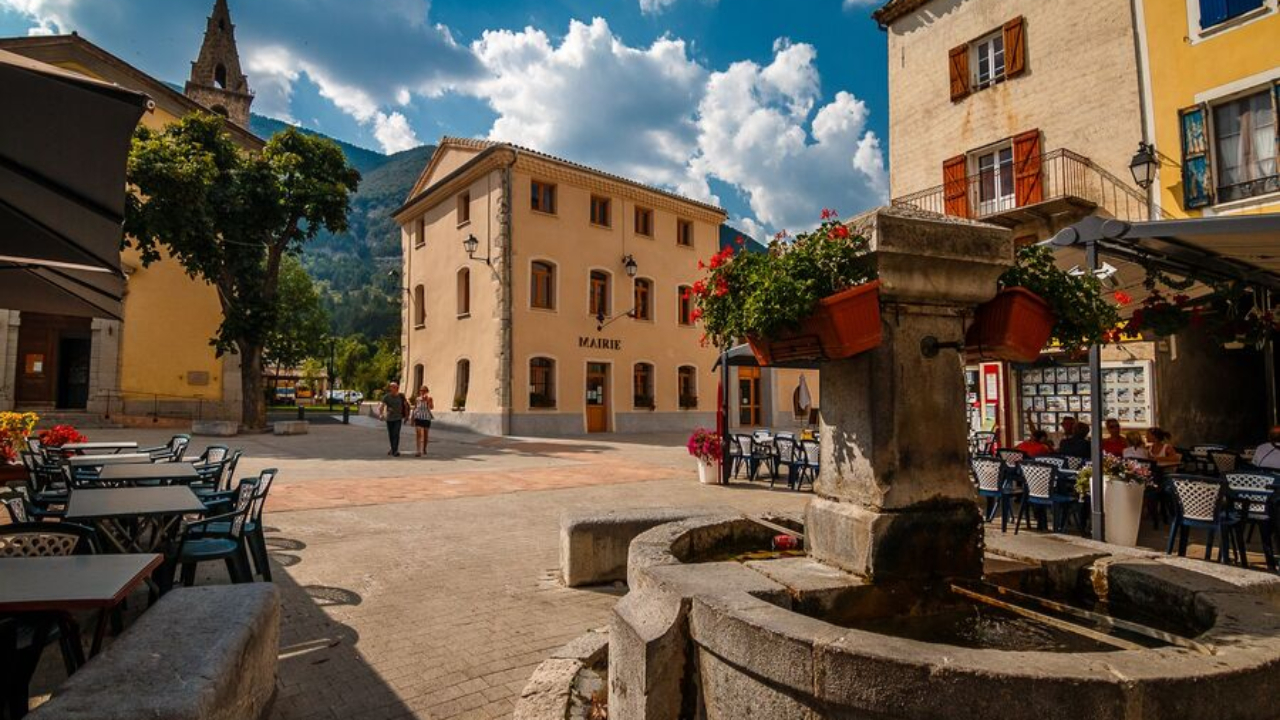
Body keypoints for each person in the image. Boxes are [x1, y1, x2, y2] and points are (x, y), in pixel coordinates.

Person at [378, 381, 410, 457]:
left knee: (396, 434)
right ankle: (393, 449)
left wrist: (406, 416)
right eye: (391, 387)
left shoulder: (401, 396)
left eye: (394, 387)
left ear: (397, 388)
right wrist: (381, 414)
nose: (392, 389)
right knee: (391, 435)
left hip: (398, 418)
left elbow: (405, 406)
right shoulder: (387, 397)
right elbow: (381, 406)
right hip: (389, 418)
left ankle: (395, 451)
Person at [412, 385, 435, 457]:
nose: (422, 392)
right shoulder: (417, 399)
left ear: (427, 392)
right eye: (421, 390)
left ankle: (424, 448)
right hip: (418, 417)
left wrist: (427, 401)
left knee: (425, 434)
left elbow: (431, 407)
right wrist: (412, 418)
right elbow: (415, 408)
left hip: (426, 417)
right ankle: (418, 450)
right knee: (418, 434)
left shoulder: (430, 398)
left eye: (424, 391)